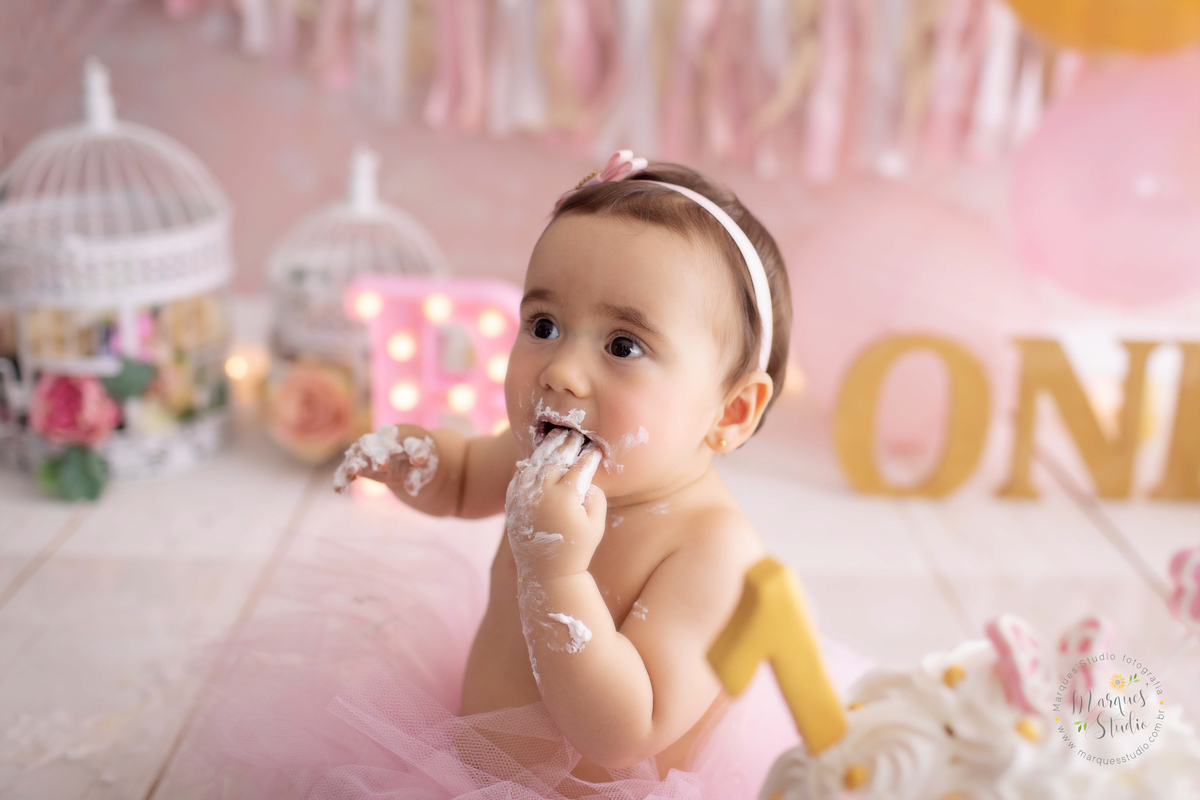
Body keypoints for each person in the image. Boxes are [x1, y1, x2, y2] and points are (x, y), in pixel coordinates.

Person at [176, 152, 867, 800]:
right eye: (543, 325)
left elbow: (624, 732)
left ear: (731, 411)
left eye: (623, 345)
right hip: (471, 765)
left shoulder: (711, 549)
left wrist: (556, 576)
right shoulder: (540, 454)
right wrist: (416, 458)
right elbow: (463, 480)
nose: (561, 370)